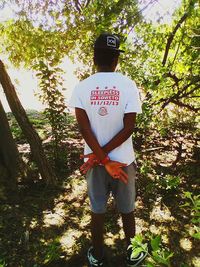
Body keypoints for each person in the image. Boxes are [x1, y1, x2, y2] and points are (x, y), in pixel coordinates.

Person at [69, 33, 147, 267]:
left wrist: (99, 158)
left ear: (94, 58)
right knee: (127, 209)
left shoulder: (82, 87)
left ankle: (99, 256)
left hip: (94, 164)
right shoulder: (128, 85)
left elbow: (84, 128)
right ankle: (133, 254)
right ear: (116, 60)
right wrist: (109, 159)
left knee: (97, 210)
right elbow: (129, 127)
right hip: (123, 162)